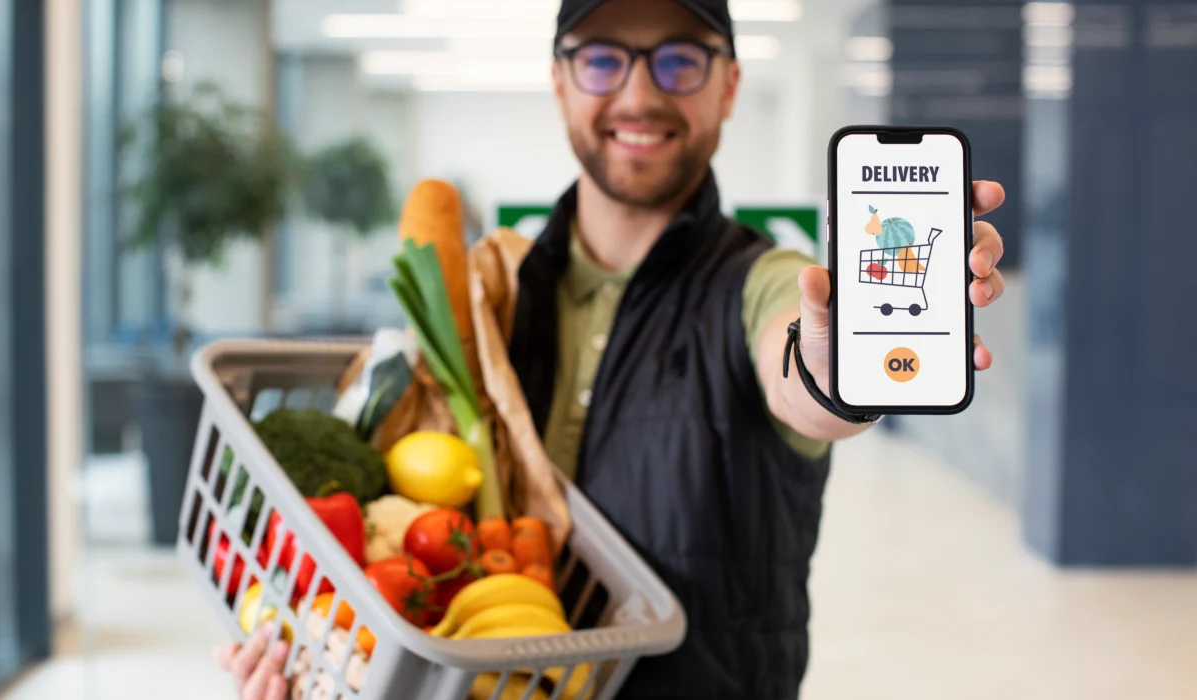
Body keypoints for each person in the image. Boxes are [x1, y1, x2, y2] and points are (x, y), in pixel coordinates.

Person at [215, 0, 1008, 697]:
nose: (638, 92)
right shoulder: (492, 300)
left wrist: (839, 359)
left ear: (728, 84)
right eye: (601, 58)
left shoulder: (761, 280)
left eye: (679, 58)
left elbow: (798, 363)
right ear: (560, 81)